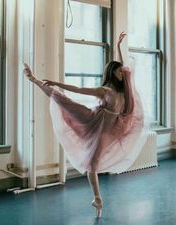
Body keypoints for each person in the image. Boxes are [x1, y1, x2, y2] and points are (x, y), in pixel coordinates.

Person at [23, 32, 146, 218]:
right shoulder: (104, 90)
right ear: (112, 72)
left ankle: (97, 199)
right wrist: (56, 82)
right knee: (63, 100)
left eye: (122, 71)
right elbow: (79, 89)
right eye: (118, 71)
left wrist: (119, 46)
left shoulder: (125, 90)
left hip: (109, 129)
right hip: (94, 120)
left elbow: (126, 68)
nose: (122, 73)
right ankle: (33, 79)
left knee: (92, 165)